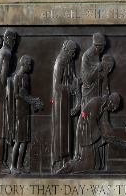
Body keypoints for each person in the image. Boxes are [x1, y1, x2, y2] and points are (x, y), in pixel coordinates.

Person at [10, 55, 43, 174]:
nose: (31, 67)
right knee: (18, 140)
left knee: (24, 140)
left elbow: (27, 95)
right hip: (19, 111)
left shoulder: (26, 77)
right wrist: (30, 100)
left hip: (26, 110)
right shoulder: (17, 77)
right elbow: (16, 95)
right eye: (29, 65)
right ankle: (13, 166)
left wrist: (34, 101)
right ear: (24, 64)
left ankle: (20, 165)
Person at [51, 39, 79, 174]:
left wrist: (78, 82)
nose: (74, 54)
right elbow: (57, 85)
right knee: (62, 131)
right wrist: (70, 88)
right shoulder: (61, 61)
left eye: (75, 52)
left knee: (68, 131)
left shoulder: (70, 60)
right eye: (72, 52)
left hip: (69, 100)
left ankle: (67, 160)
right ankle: (59, 161)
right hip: (61, 101)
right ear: (67, 50)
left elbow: (73, 77)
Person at [0, 30, 15, 174]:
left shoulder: (0, 52)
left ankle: (0, 163)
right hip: (1, 97)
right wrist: (12, 79)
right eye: (13, 40)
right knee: (0, 131)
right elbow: (2, 78)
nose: (15, 43)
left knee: (0, 131)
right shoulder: (6, 53)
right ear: (8, 39)